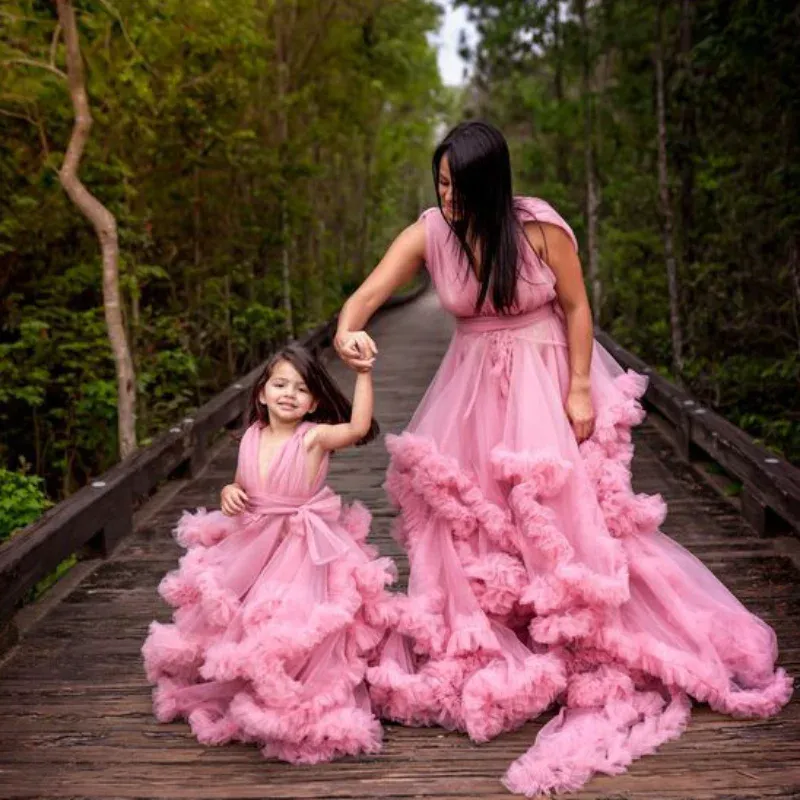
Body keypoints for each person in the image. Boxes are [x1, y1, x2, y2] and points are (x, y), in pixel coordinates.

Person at [334, 120, 793, 796]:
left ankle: (574, 634)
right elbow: (366, 298)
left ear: (493, 186)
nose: (446, 197)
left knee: (556, 510)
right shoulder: (429, 231)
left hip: (543, 376)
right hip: (469, 383)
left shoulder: (541, 230)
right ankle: (509, 632)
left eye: (459, 187)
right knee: (471, 513)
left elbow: (577, 309)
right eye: (439, 183)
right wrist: (348, 333)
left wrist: (580, 387)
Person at [142, 343, 396, 764]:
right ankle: (251, 682)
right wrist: (229, 491)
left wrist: (364, 374)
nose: (289, 394)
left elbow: (356, 427)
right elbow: (241, 484)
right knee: (243, 613)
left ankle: (295, 689)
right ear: (261, 392)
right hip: (252, 543)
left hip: (299, 546)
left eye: (300, 389)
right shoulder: (252, 437)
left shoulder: (312, 438)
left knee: (290, 619)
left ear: (313, 401)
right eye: (279, 384)